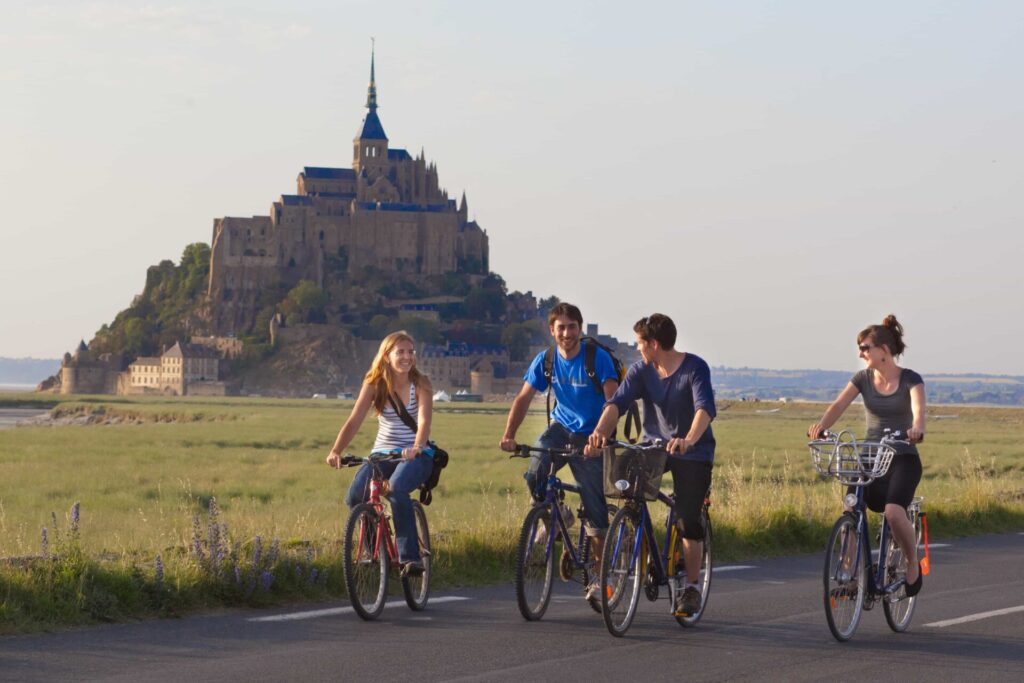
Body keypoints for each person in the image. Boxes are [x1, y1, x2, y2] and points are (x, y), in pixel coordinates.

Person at [587, 313, 715, 617]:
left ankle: (692, 587)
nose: (637, 349)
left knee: (687, 518)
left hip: (692, 452)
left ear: (654, 344)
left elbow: (704, 410)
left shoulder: (695, 368)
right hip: (655, 446)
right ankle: (633, 542)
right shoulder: (641, 370)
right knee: (620, 481)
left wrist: (688, 439)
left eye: (640, 343)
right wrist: (599, 433)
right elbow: (616, 404)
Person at [500, 302, 619, 601]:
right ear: (552, 331)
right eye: (561, 328)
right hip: (560, 429)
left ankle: (599, 575)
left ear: (580, 328)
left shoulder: (597, 358)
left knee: (594, 506)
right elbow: (523, 398)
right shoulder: (547, 360)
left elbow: (614, 402)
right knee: (534, 474)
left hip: (592, 434)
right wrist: (509, 435)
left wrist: (600, 437)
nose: (567, 333)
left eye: (572, 327)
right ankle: (559, 516)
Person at [808, 314, 925, 597]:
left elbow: (919, 410)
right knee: (851, 510)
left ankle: (912, 562)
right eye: (860, 348)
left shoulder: (910, 379)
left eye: (865, 348)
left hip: (902, 457)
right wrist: (822, 427)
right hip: (870, 457)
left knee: (894, 513)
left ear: (883, 350)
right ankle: (850, 575)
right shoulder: (863, 379)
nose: (861, 353)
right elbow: (839, 404)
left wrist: (917, 428)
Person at [327, 331, 435, 576]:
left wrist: (416, 447)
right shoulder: (375, 384)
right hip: (382, 454)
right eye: (400, 352)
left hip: (416, 455)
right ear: (386, 356)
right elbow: (354, 420)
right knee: (355, 497)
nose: (407, 357)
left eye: (411, 352)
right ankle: (374, 551)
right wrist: (336, 450)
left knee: (396, 489)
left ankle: (410, 558)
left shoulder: (421, 384)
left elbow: (424, 421)